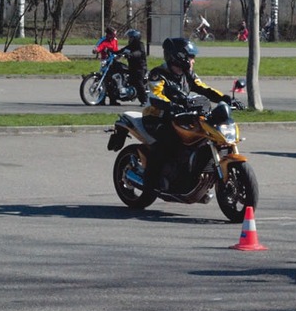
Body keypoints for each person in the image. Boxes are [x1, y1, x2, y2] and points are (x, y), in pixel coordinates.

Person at [141, 37, 233, 193]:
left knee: (201, 137)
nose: (193, 61)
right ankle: (151, 183)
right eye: (191, 57)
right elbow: (156, 96)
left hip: (180, 116)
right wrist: (171, 106)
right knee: (168, 143)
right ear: (178, 57)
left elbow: (204, 89)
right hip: (157, 117)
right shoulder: (159, 74)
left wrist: (224, 99)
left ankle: (192, 175)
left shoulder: (188, 74)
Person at [116, 29, 148, 106]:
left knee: (138, 82)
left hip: (140, 68)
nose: (129, 39)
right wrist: (112, 51)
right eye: (129, 37)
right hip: (132, 67)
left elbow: (139, 53)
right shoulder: (130, 46)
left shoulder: (140, 45)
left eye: (130, 37)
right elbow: (122, 50)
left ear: (135, 38)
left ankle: (144, 100)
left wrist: (131, 55)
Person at [93, 26, 123, 105]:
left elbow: (116, 50)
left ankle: (113, 100)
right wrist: (96, 50)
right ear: (108, 34)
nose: (114, 36)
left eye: (115, 34)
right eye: (113, 34)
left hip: (113, 62)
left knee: (114, 81)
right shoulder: (103, 40)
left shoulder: (115, 40)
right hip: (106, 62)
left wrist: (119, 55)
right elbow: (98, 47)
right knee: (104, 81)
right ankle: (101, 100)